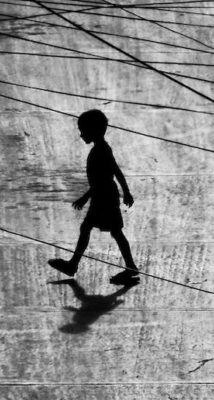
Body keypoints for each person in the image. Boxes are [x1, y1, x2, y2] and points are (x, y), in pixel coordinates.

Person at [48, 109, 139, 283]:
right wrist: (125, 191)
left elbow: (105, 178)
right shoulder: (102, 149)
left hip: (104, 197)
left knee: (111, 231)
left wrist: (85, 197)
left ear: (94, 130)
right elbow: (114, 173)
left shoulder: (101, 151)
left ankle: (129, 266)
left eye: (84, 130)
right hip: (104, 195)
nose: (81, 135)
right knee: (99, 229)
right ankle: (74, 264)